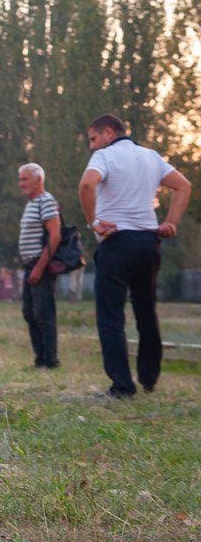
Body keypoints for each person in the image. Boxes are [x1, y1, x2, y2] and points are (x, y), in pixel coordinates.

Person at [78, 114, 192, 398]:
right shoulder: (150, 156)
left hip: (116, 241)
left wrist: (93, 222)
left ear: (108, 133)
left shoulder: (104, 157)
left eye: (93, 138)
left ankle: (122, 386)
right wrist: (171, 222)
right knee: (145, 310)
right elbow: (184, 186)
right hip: (147, 241)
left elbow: (86, 185)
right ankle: (149, 376)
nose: (92, 146)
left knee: (111, 315)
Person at [17, 163, 61, 368]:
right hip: (29, 266)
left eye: (25, 179)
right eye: (20, 179)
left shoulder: (46, 201)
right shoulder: (31, 203)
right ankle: (40, 358)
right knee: (30, 312)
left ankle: (50, 360)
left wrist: (39, 268)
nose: (21, 184)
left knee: (44, 313)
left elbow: (55, 237)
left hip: (39, 266)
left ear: (38, 180)